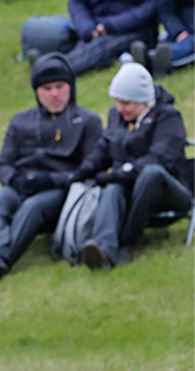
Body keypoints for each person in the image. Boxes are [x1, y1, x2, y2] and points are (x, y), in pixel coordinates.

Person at [0, 54, 103, 281]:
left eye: (60, 86)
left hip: (61, 191)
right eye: (47, 88)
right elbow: (3, 164)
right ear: (37, 91)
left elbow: (92, 166)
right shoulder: (21, 122)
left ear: (71, 87)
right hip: (23, 184)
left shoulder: (88, 121)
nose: (55, 94)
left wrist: (56, 179)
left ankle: (0, 261)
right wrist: (15, 181)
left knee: (32, 208)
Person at [72, 63, 190, 269]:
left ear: (143, 100)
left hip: (169, 190)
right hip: (128, 187)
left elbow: (160, 159)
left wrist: (119, 173)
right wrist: (80, 172)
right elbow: (103, 149)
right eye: (117, 102)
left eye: (126, 103)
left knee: (150, 174)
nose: (120, 108)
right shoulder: (117, 116)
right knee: (114, 188)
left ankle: (126, 242)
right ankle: (104, 251)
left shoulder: (168, 117)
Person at [61, 0, 159, 75]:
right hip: (94, 28)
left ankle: (57, 70)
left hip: (134, 30)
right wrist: (87, 28)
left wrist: (109, 25)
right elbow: (77, 4)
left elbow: (148, 9)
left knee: (96, 48)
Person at [130, 0, 193, 77]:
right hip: (178, 30)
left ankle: (155, 58)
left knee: (186, 45)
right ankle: (150, 57)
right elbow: (165, 10)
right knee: (166, 43)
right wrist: (178, 32)